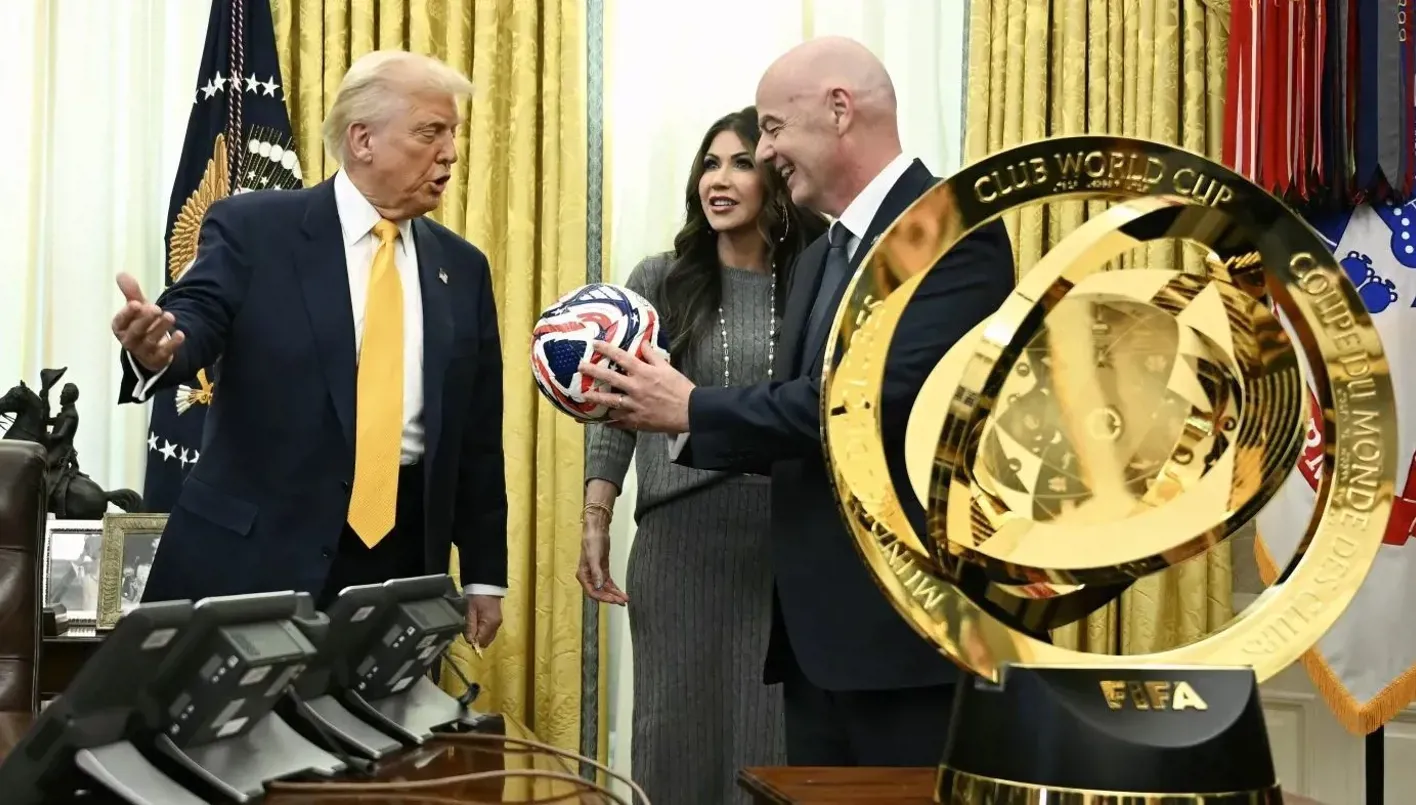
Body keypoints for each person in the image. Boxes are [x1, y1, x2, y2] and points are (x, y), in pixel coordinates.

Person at [576, 37, 1017, 767]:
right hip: (814, 647)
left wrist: (693, 409)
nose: (766, 152)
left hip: (904, 639)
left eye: (773, 129)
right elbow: (798, 417)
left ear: (840, 110)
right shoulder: (821, 259)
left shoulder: (947, 227)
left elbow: (871, 404)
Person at [110, 50, 509, 650]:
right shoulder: (254, 228)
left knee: (385, 716)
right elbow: (196, 317)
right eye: (431, 132)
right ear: (362, 139)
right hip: (255, 560)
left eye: (453, 133)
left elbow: (476, 433)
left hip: (397, 568)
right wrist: (159, 350)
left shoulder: (463, 267)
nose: (451, 152)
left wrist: (483, 574)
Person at [578, 106, 826, 804]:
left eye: (741, 163)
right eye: (709, 165)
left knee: (769, 742)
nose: (719, 180)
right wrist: (596, 515)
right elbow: (613, 409)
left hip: (782, 543)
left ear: (775, 177)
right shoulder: (660, 279)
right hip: (678, 545)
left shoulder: (814, 283)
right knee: (673, 735)